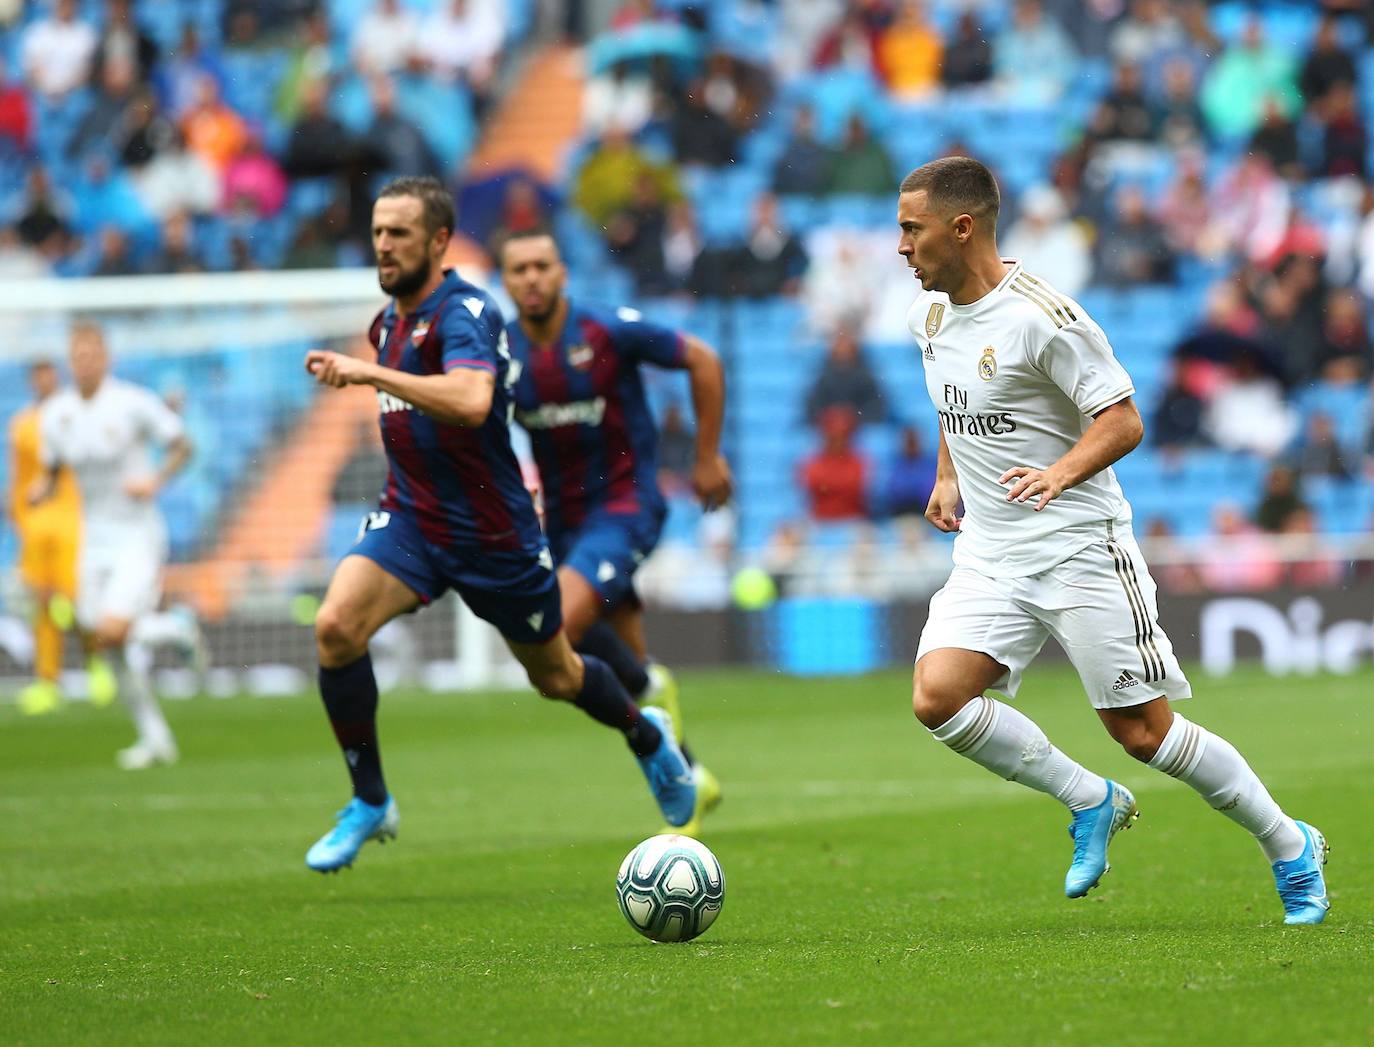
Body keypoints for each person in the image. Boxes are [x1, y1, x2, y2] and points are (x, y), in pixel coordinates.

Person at [896, 156, 1329, 924]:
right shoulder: (929, 316)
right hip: (992, 553)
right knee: (938, 697)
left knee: (1141, 731)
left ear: (961, 229)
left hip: (1077, 547)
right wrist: (949, 475)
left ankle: (1289, 842)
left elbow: (1124, 418)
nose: (901, 247)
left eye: (911, 229)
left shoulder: (1045, 318)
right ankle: (1088, 799)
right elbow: (953, 400)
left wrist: (1061, 472)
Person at [300, 178, 694, 873]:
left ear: (439, 241)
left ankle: (644, 733)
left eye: (399, 234)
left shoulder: (467, 312)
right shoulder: (388, 322)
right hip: (412, 520)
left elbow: (473, 399)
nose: (384, 246)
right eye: (378, 232)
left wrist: (370, 375)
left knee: (558, 677)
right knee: (335, 626)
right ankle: (370, 800)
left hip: (493, 535)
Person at [498, 226, 729, 834]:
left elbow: (703, 359)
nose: (531, 278)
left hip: (627, 508)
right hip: (564, 527)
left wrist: (706, 458)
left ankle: (648, 718)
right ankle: (688, 776)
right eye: (518, 269)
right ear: (505, 281)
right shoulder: (503, 355)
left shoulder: (606, 331)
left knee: (555, 631)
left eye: (541, 266)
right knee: (617, 660)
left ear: (561, 273)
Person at [32, 325, 195, 769]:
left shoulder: (133, 402)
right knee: (100, 638)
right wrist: (40, 489)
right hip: (93, 539)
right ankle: (155, 737)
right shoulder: (55, 414)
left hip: (136, 536)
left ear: (106, 358)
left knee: (115, 631)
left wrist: (156, 480)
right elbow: (51, 468)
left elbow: (183, 444)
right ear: (70, 360)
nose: (84, 362)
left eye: (91, 354)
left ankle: (178, 628)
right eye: (77, 355)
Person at [8, 361, 81, 716]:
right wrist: (19, 518)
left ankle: (98, 666)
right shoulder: (21, 425)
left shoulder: (75, 415)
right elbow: (20, 479)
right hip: (37, 524)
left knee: (73, 600)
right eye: (37, 373)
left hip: (71, 519)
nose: (44, 379)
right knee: (43, 604)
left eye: (49, 372)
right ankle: (47, 679)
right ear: (31, 380)